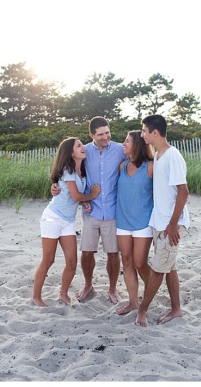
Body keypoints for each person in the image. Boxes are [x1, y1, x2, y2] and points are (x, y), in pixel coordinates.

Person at [32, 137, 101, 307]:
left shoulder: (81, 171)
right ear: (71, 152)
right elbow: (76, 195)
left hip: (68, 221)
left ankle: (63, 293)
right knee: (48, 260)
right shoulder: (68, 170)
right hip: (53, 218)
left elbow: (74, 197)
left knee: (72, 261)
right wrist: (91, 196)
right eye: (79, 146)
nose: (83, 147)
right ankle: (36, 297)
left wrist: (84, 202)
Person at [135, 114, 190, 327]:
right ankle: (176, 308)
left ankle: (142, 310)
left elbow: (183, 192)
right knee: (170, 267)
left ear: (154, 133)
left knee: (158, 269)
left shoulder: (173, 156)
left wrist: (173, 224)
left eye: (144, 131)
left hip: (171, 224)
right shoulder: (158, 156)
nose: (142, 135)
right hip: (159, 222)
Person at [75, 117, 127, 303]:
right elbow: (70, 171)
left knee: (113, 253)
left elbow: (138, 164)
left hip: (113, 211)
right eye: (100, 134)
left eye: (107, 132)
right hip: (91, 210)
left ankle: (112, 289)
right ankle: (88, 284)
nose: (105, 137)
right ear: (91, 135)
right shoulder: (85, 151)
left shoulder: (121, 149)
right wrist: (55, 185)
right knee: (87, 252)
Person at [113, 130, 155, 315]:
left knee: (140, 263)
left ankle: (152, 289)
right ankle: (132, 302)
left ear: (137, 144)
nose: (124, 144)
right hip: (122, 222)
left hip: (143, 222)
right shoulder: (122, 166)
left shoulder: (151, 167)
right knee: (127, 262)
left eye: (127, 141)